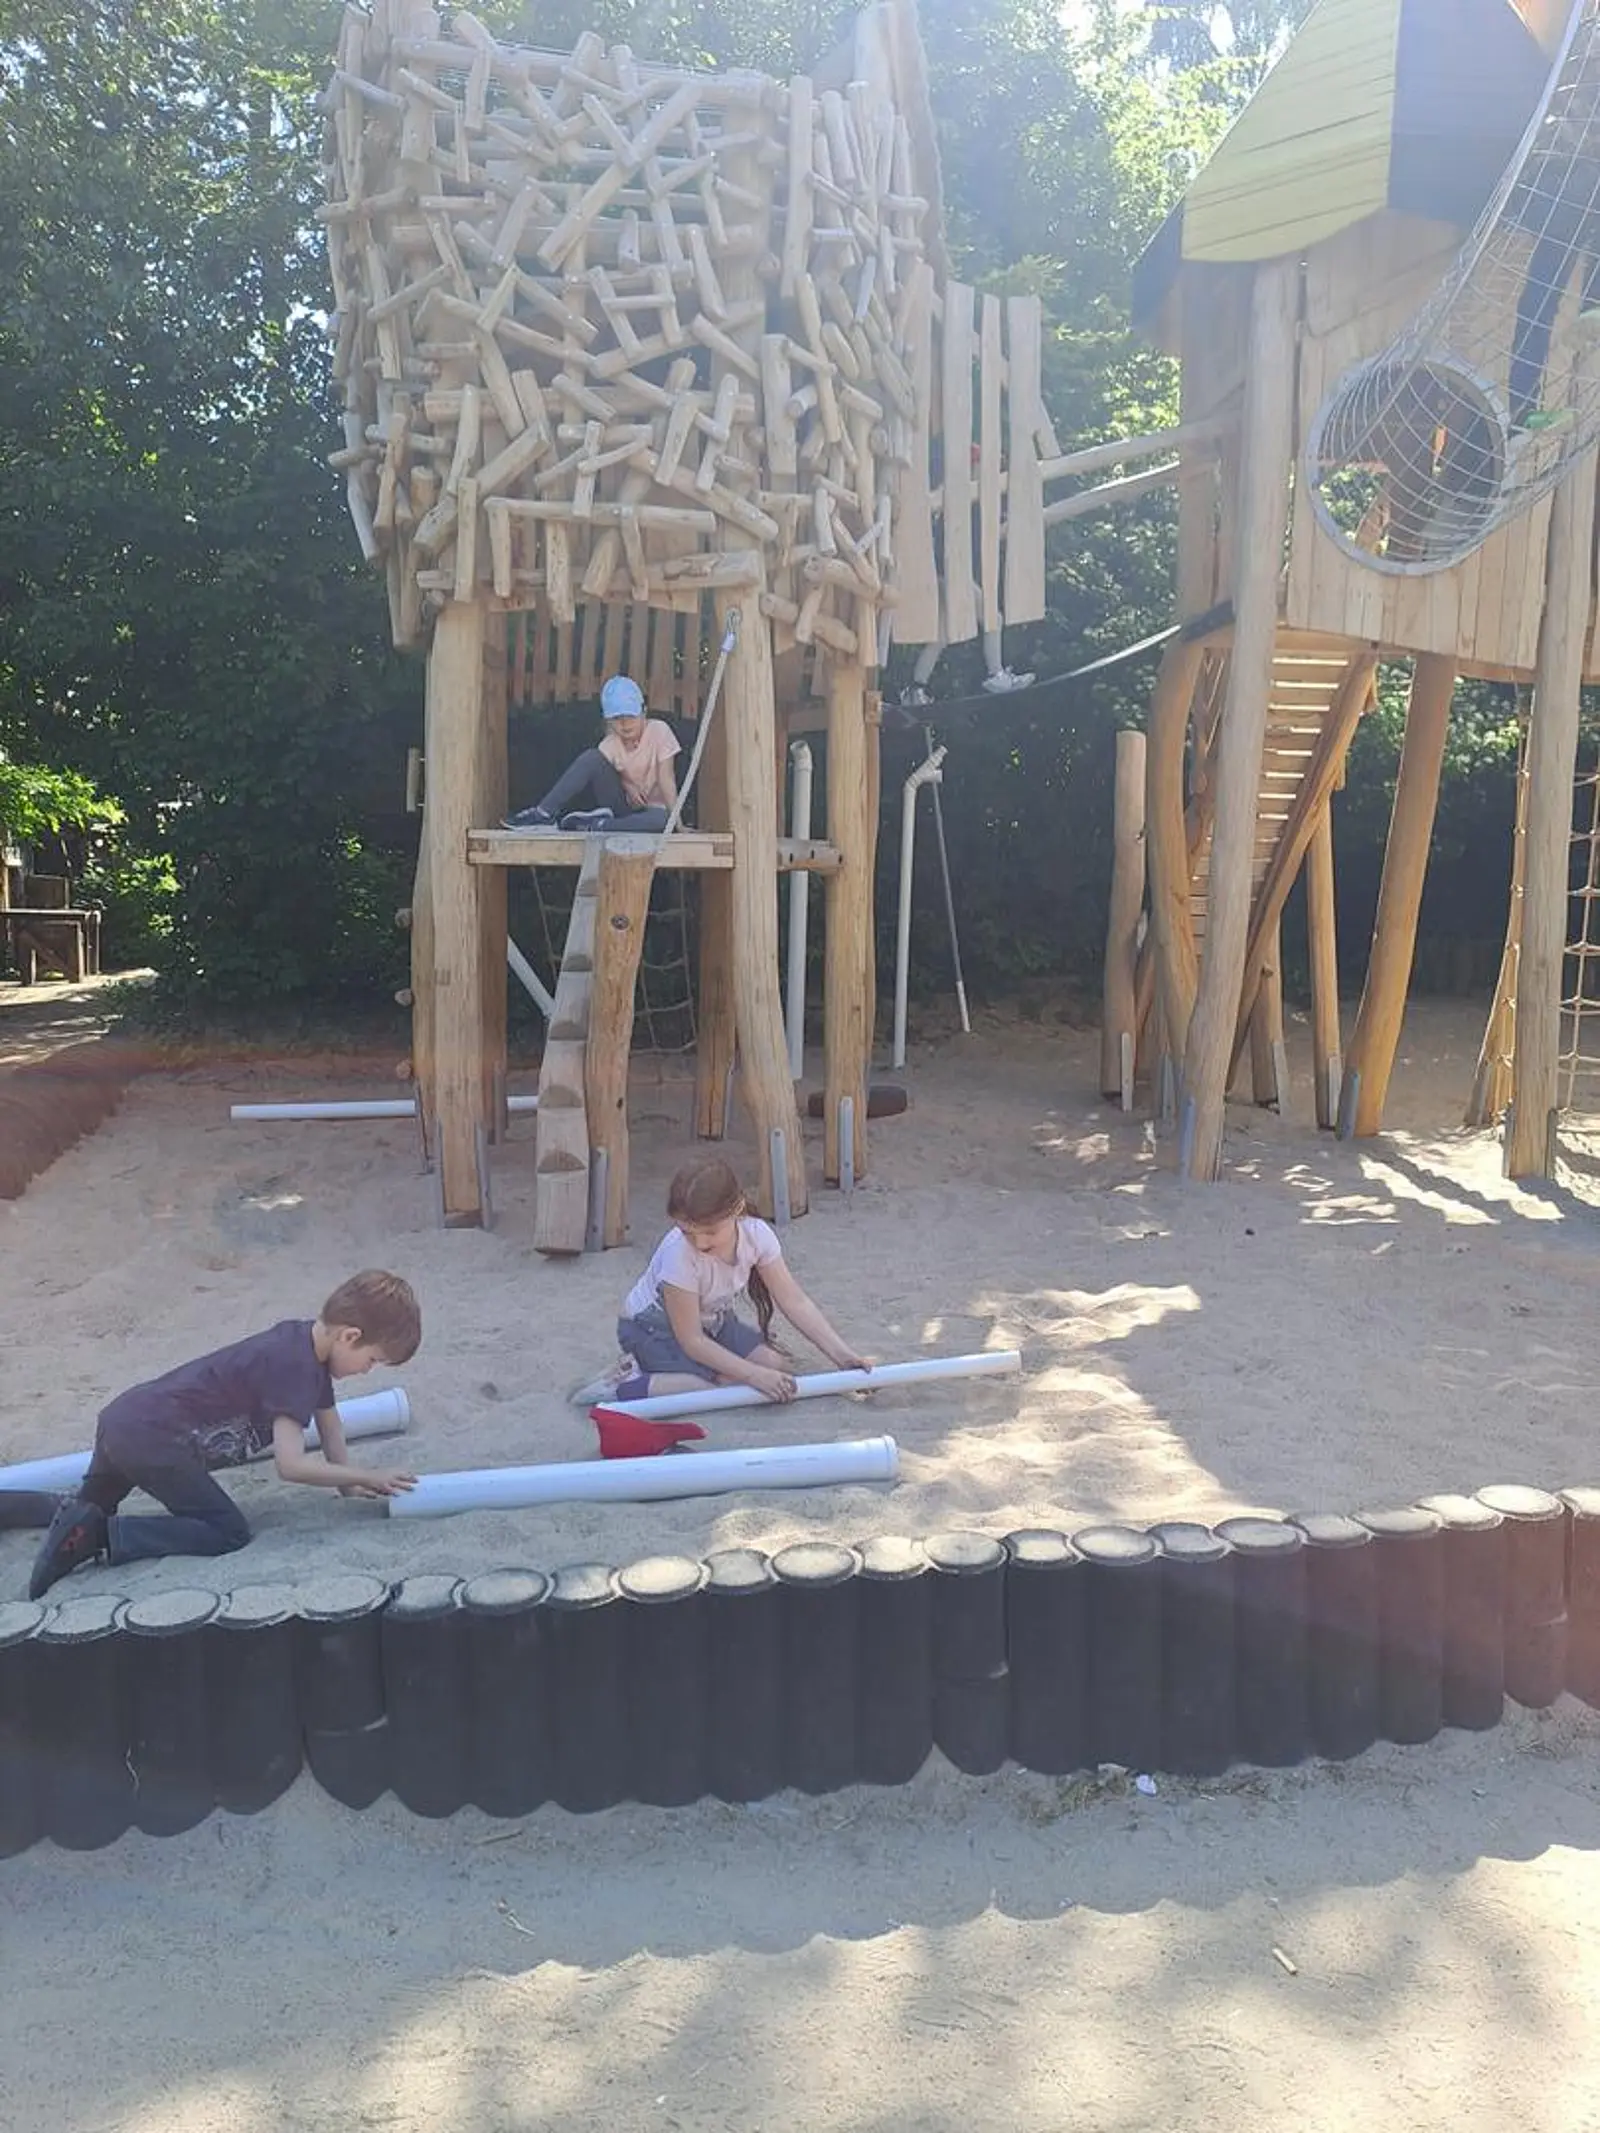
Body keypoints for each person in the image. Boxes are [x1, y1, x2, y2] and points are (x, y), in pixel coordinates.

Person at [26, 1270, 422, 1598]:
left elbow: (329, 1420)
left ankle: (57, 1520)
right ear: (350, 1336)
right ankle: (101, 1536)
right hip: (155, 1441)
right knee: (226, 1531)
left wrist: (347, 1485)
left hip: (126, 1418)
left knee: (84, 1508)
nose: (367, 1370)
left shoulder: (302, 1343)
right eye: (372, 1360)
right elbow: (291, 1465)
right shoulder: (296, 1368)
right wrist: (368, 1476)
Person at [573, 1156, 867, 1408]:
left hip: (713, 1321)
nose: (699, 1243)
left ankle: (703, 1373)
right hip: (650, 1328)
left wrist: (842, 1356)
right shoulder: (679, 1254)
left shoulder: (756, 1235)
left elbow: (794, 1301)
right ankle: (627, 1382)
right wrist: (752, 1375)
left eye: (710, 1232)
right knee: (709, 1389)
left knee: (774, 1366)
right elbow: (692, 1340)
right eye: (687, 1232)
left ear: (736, 1210)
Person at [503, 673, 681, 834]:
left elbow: (666, 778)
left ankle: (597, 825)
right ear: (608, 720)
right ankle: (543, 813)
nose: (625, 724)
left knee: (664, 821)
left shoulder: (659, 731)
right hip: (623, 808)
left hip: (654, 811)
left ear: (644, 711)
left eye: (631, 716)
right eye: (617, 718)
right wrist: (628, 787)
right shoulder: (609, 744)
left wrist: (678, 824)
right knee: (592, 757)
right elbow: (610, 776)